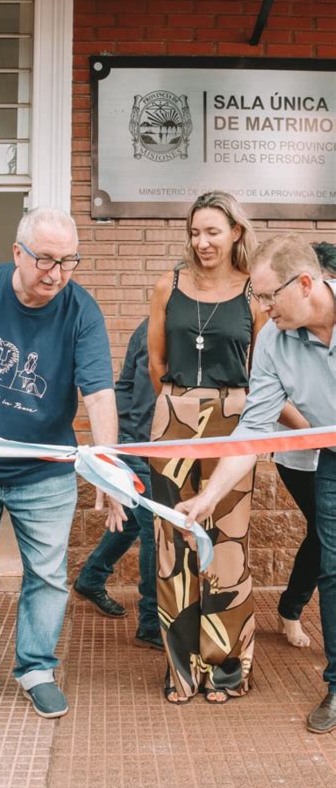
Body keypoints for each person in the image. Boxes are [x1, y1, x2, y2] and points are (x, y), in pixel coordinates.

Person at [0, 207, 125, 723]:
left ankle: (36, 668)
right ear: (18, 253)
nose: (56, 273)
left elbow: (100, 395)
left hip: (46, 475)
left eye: (68, 262)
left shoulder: (81, 310)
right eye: (45, 260)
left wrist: (105, 464)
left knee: (48, 576)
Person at [177, 233, 335, 734]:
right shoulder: (272, 339)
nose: (262, 308)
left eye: (269, 296)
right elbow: (252, 432)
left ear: (306, 283)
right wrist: (207, 498)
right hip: (332, 456)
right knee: (333, 566)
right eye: (256, 297)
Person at [148, 191, 267, 705]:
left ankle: (225, 669)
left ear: (235, 232)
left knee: (228, 546)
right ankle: (181, 671)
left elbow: (264, 370)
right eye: (195, 232)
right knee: (172, 547)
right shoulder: (167, 286)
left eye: (213, 232)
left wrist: (223, 409)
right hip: (172, 417)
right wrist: (181, 408)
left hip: (234, 419)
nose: (202, 242)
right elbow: (156, 361)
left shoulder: (252, 295)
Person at [73, 317, 162, 650]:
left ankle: (90, 578)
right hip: (138, 439)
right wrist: (144, 447)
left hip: (134, 436)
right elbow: (145, 394)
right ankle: (151, 624)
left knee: (132, 522)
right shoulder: (160, 324)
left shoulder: (159, 321)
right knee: (155, 528)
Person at [275, 242, 336, 648]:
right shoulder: (279, 335)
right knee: (321, 535)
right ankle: (290, 610)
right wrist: (319, 433)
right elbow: (274, 399)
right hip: (300, 456)